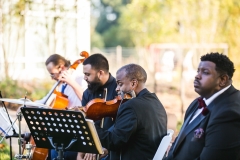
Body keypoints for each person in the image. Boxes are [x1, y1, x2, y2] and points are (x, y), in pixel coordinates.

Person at [165, 52, 240, 160]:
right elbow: (178, 144)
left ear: (222, 80)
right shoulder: (197, 103)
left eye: (205, 72)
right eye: (198, 71)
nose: (197, 76)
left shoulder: (229, 113)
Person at [93, 63, 167, 160]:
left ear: (133, 83)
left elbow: (114, 142)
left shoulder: (131, 106)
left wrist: (91, 127)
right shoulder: (156, 102)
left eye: (120, 84)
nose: (117, 89)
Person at [43, 54, 87, 160]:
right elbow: (45, 100)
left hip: (77, 131)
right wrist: (26, 103)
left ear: (62, 67)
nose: (52, 78)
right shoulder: (61, 84)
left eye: (53, 74)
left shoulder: (80, 79)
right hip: (63, 130)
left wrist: (71, 82)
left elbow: (86, 101)